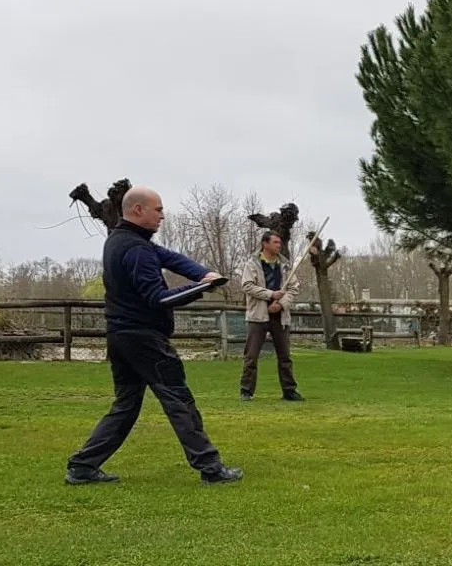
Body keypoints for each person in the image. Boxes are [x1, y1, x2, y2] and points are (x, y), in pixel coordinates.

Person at [65, 185, 243, 486]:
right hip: (143, 340)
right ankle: (210, 468)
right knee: (178, 399)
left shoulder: (122, 241)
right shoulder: (135, 249)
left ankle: (82, 466)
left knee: (125, 405)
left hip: (120, 338)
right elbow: (157, 298)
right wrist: (201, 288)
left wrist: (203, 273)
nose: (163, 215)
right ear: (138, 210)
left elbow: (171, 258)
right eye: (158, 209)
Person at [239, 230, 302, 401]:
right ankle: (246, 390)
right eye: (275, 242)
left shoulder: (286, 265)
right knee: (251, 356)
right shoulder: (252, 264)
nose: (278, 245)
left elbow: (293, 288)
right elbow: (247, 286)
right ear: (265, 244)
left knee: (285, 356)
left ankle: (289, 390)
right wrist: (270, 295)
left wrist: (281, 304)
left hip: (280, 317)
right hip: (258, 316)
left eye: (279, 243)